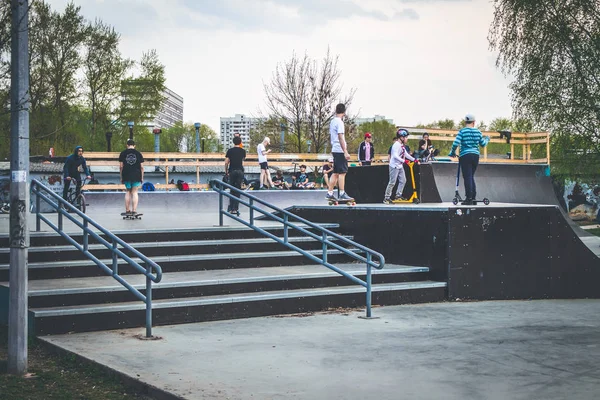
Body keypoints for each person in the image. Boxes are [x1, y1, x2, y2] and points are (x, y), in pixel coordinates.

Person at [448, 113, 490, 205]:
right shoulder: (478, 132)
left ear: (465, 122)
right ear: (474, 122)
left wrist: (452, 152)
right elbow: (483, 144)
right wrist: (487, 139)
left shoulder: (462, 131)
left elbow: (456, 143)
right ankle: (473, 197)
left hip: (465, 155)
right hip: (475, 156)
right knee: (471, 176)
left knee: (467, 177)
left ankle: (469, 198)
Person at [326, 103, 353, 202]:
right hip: (340, 150)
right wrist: (345, 151)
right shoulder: (340, 122)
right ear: (344, 112)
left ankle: (329, 193)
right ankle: (342, 193)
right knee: (342, 173)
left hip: (335, 149)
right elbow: (340, 137)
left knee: (335, 173)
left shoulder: (332, 121)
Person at [383, 129, 418, 204]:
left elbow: (406, 154)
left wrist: (414, 159)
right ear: (401, 138)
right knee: (392, 182)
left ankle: (398, 195)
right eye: (406, 137)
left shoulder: (402, 146)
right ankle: (386, 198)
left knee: (403, 180)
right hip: (394, 166)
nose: (407, 139)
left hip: (399, 166)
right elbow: (395, 156)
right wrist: (404, 161)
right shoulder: (396, 145)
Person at [119, 139, 144, 215]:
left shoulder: (123, 153)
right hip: (136, 174)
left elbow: (121, 166)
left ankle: (127, 210)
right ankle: (134, 210)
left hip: (126, 174)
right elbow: (142, 167)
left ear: (127, 145)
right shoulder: (138, 153)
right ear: (134, 145)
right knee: (134, 192)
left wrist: (121, 176)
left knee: (128, 192)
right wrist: (142, 177)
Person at [225, 136, 246, 214]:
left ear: (233, 142)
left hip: (232, 171)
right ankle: (236, 208)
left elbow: (226, 162)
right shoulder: (243, 151)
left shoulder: (230, 151)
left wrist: (226, 171)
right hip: (240, 171)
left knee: (232, 189)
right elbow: (242, 161)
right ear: (240, 142)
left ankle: (231, 207)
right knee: (238, 190)